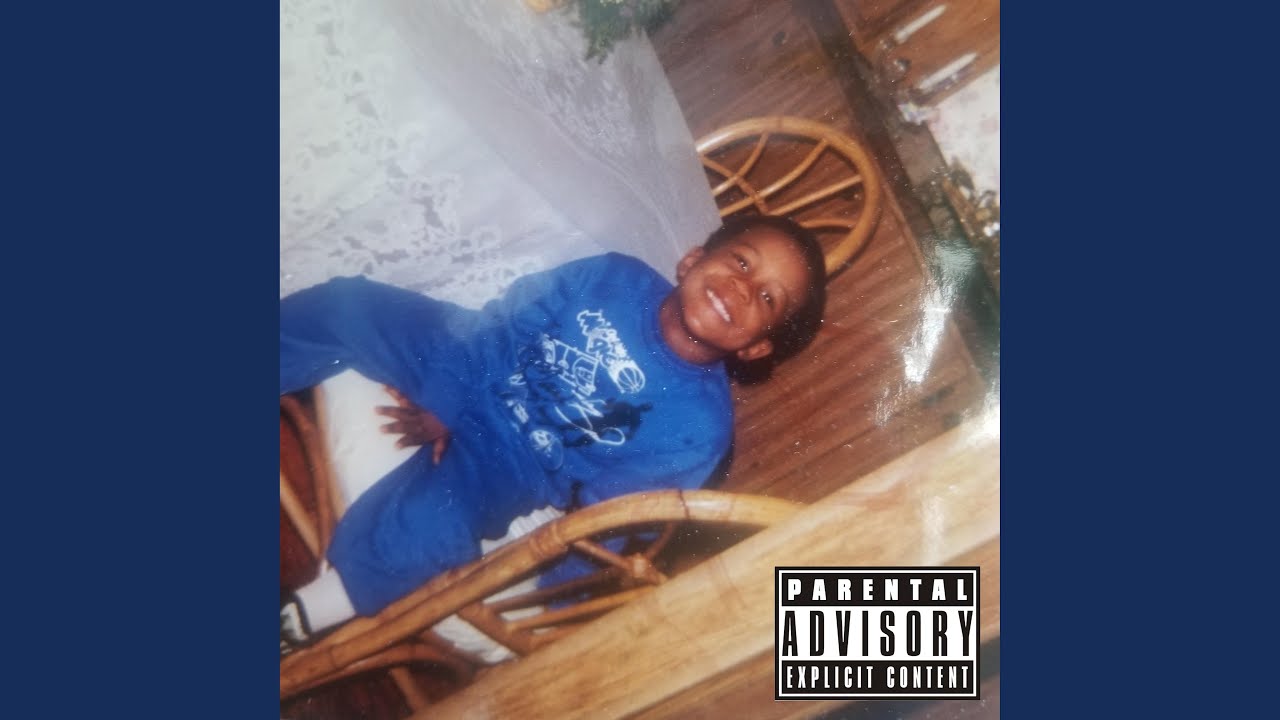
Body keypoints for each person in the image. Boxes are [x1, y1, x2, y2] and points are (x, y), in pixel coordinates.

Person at [279, 215, 827, 650]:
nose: (742, 288)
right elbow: (505, 319)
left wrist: (553, 609)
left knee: (432, 523)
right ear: (692, 260)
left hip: (509, 460)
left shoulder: (699, 430)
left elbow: (609, 523)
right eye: (741, 261)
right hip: (468, 354)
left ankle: (301, 617)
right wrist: (447, 398)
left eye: (768, 298)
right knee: (349, 305)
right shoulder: (613, 276)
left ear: (757, 347)